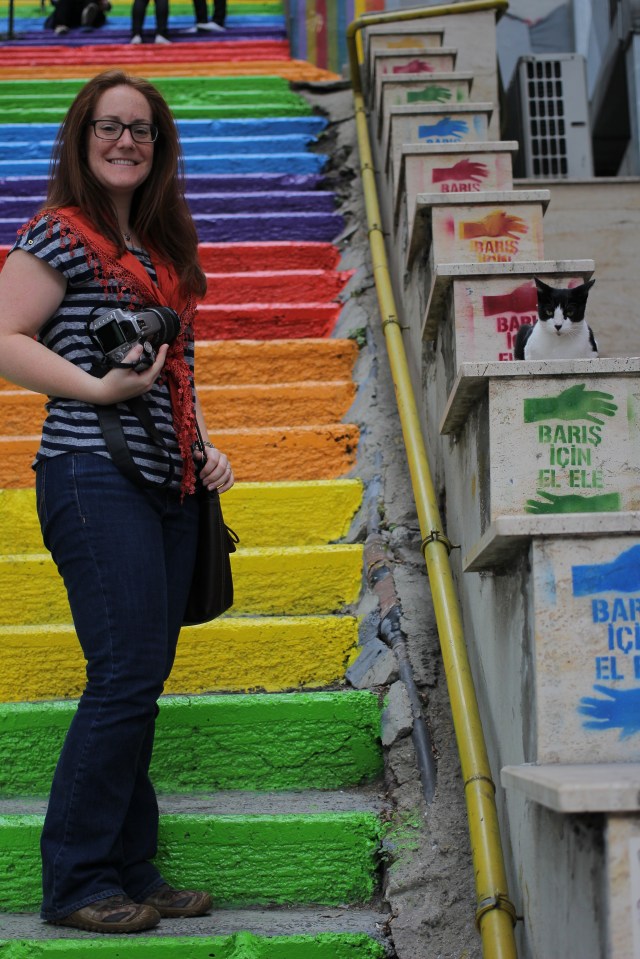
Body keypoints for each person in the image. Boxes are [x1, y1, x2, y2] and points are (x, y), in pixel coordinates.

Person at [0, 69, 234, 934]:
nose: (125, 140)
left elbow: (177, 374)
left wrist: (204, 448)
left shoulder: (165, 252)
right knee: (126, 676)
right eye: (109, 125)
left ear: (159, 146)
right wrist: (97, 388)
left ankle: (132, 866)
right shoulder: (58, 234)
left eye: (141, 128)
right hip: (90, 475)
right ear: (82, 136)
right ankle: (76, 879)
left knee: (140, 681)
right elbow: (5, 336)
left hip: (167, 484)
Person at [46, 0, 111, 34]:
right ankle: (61, 24)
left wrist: (104, 4)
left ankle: (61, 25)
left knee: (91, 4)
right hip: (70, 12)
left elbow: (107, 6)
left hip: (72, 14)